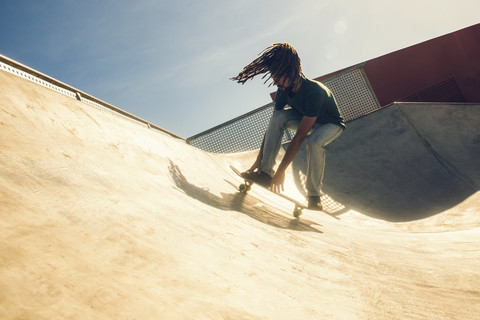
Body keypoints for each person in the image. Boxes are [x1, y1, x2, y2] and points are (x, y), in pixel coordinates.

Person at [231, 43, 345, 210]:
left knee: (313, 142)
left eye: (278, 76)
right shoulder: (282, 91)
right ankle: (265, 173)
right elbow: (273, 125)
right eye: (273, 76)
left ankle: (314, 196)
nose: (275, 80)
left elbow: (299, 137)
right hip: (305, 116)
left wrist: (282, 171)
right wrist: (258, 161)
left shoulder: (314, 92)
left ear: (291, 72)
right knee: (278, 117)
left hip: (330, 123)